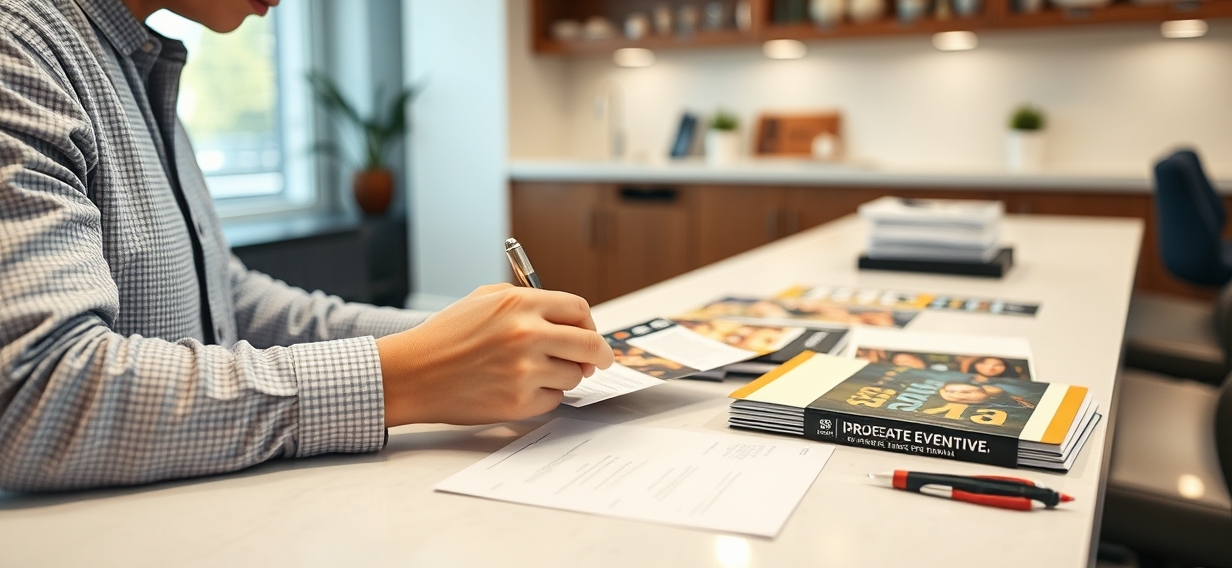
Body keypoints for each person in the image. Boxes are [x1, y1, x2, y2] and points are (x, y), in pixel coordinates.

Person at [0, 0, 613, 492]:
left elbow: (228, 301)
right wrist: (402, 376)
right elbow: (37, 392)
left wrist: (458, 340)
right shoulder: (20, 48)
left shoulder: (132, 62)